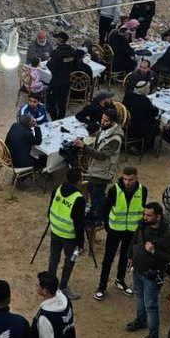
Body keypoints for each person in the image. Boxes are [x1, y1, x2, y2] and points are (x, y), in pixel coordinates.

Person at [127, 202, 170, 338]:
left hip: (152, 274)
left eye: (149, 215)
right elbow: (135, 238)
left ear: (158, 216)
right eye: (144, 214)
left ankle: (153, 337)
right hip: (138, 269)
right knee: (139, 296)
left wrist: (154, 252)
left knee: (151, 306)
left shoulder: (168, 234)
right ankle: (141, 320)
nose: (145, 217)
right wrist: (130, 255)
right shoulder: (143, 224)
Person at [96, 165, 144, 301]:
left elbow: (142, 210)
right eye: (125, 179)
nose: (127, 182)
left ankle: (120, 280)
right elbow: (105, 210)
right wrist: (107, 227)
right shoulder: (114, 190)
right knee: (108, 259)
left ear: (136, 178)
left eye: (130, 179)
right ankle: (102, 285)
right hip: (115, 230)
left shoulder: (142, 190)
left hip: (131, 231)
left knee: (125, 257)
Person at [45, 167, 87, 300]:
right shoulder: (78, 198)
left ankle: (49, 286)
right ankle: (63, 286)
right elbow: (79, 224)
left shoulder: (57, 189)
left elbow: (50, 208)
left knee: (53, 259)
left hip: (55, 230)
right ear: (79, 181)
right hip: (69, 236)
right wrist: (81, 243)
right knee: (70, 261)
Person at [80, 109, 124, 231]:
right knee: (93, 192)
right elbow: (97, 145)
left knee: (98, 195)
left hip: (103, 172)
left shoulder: (115, 139)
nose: (102, 122)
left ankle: (99, 219)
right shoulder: (104, 130)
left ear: (113, 122)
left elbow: (101, 155)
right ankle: (95, 212)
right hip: (95, 168)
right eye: (102, 119)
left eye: (106, 121)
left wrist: (84, 147)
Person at [122, 74, 160, 152]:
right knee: (155, 125)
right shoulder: (145, 101)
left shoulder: (128, 95)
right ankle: (145, 146)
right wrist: (154, 107)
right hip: (136, 128)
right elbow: (154, 113)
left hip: (125, 123)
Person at [45, 32, 77, 120]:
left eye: (56, 39)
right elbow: (76, 65)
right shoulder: (73, 51)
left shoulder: (56, 53)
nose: (55, 40)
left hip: (56, 81)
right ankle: (61, 118)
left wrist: (49, 60)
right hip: (66, 81)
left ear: (60, 40)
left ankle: (54, 119)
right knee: (62, 102)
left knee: (51, 101)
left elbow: (50, 66)